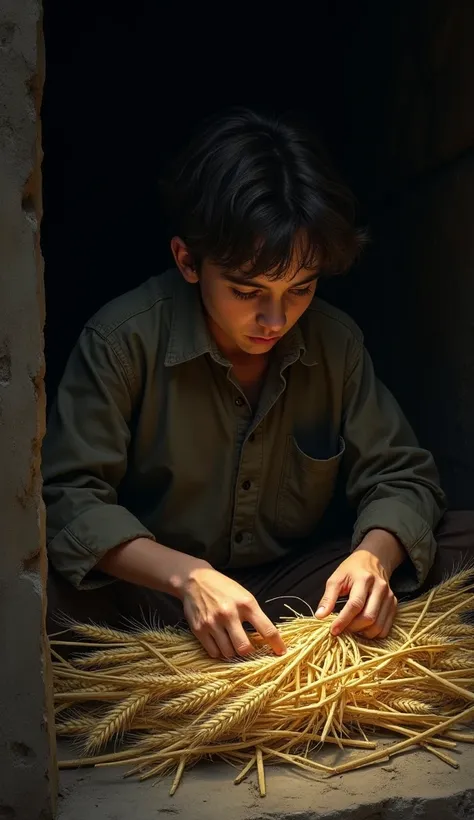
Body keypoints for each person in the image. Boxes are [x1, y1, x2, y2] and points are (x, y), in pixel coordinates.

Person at [43, 107, 468, 661]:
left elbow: (402, 475)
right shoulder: (122, 340)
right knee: (35, 591)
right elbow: (69, 497)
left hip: (300, 590)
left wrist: (374, 558)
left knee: (457, 539)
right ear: (188, 261)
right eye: (248, 292)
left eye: (300, 289)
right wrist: (187, 577)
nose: (276, 319)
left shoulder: (334, 343)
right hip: (156, 594)